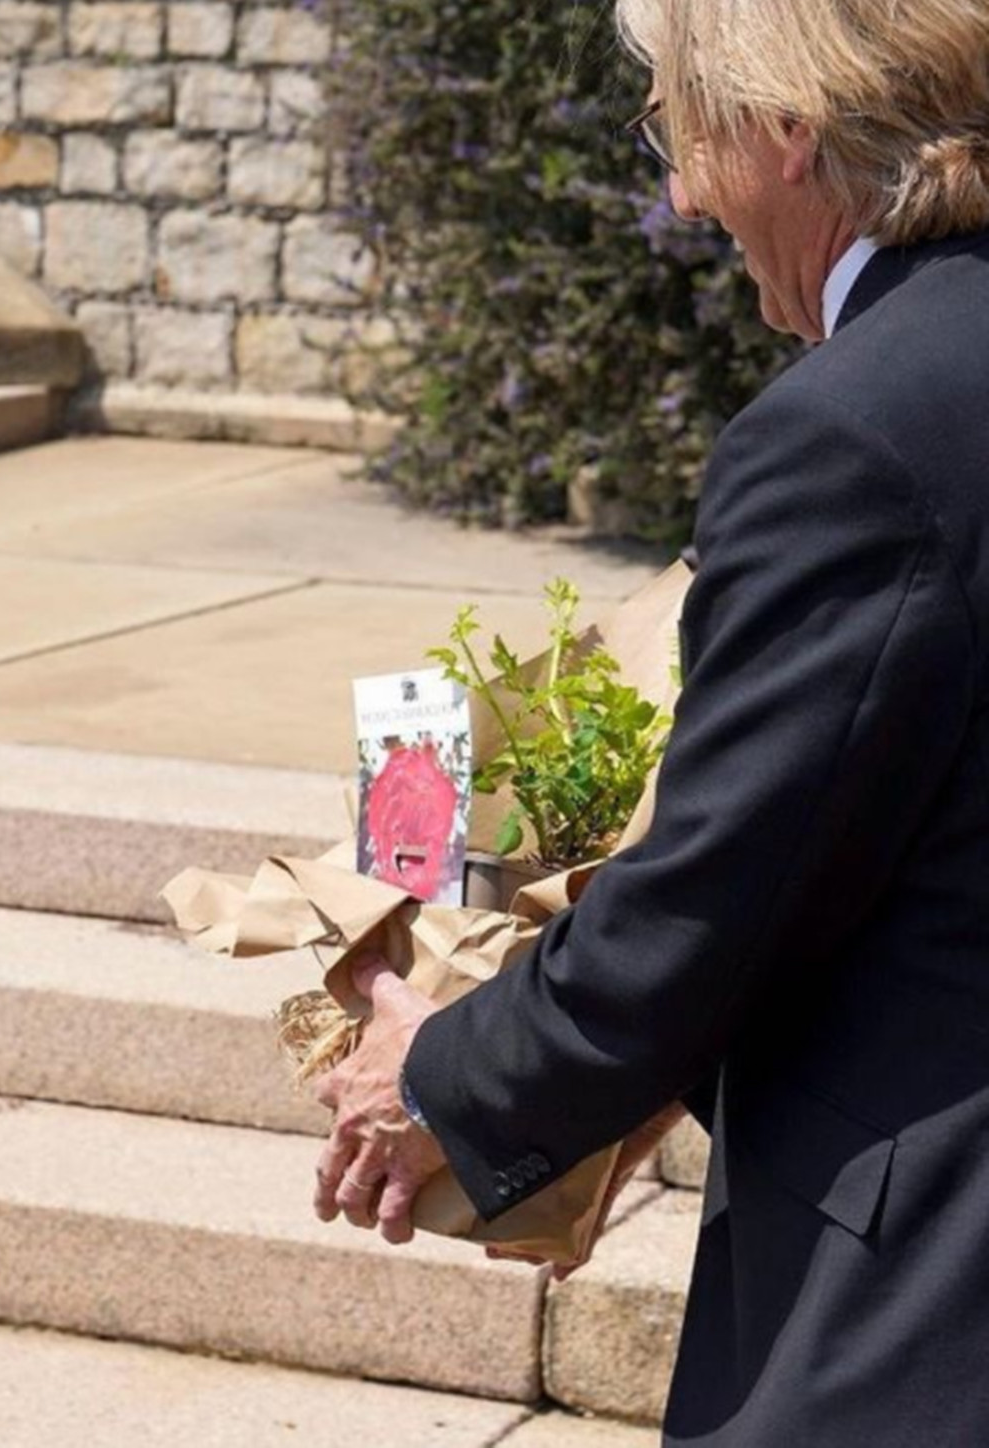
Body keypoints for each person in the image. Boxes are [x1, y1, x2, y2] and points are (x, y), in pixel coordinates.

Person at [310, 1, 989, 1441]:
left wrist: (440, 1067)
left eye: (683, 128)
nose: (681, 189)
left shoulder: (855, 429)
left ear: (790, 131)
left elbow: (720, 891)